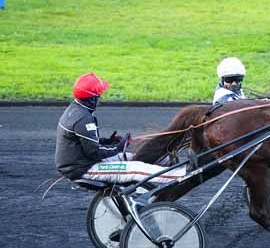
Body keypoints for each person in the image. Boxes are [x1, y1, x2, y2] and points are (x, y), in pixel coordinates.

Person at [55, 73, 188, 185]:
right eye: (98, 96)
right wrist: (119, 146)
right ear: (91, 99)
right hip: (82, 167)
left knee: (134, 158)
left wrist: (107, 141)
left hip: (80, 161)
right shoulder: (83, 119)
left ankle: (170, 165)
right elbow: (94, 152)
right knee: (136, 168)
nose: (99, 100)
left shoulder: (76, 110)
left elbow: (84, 142)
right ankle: (183, 174)